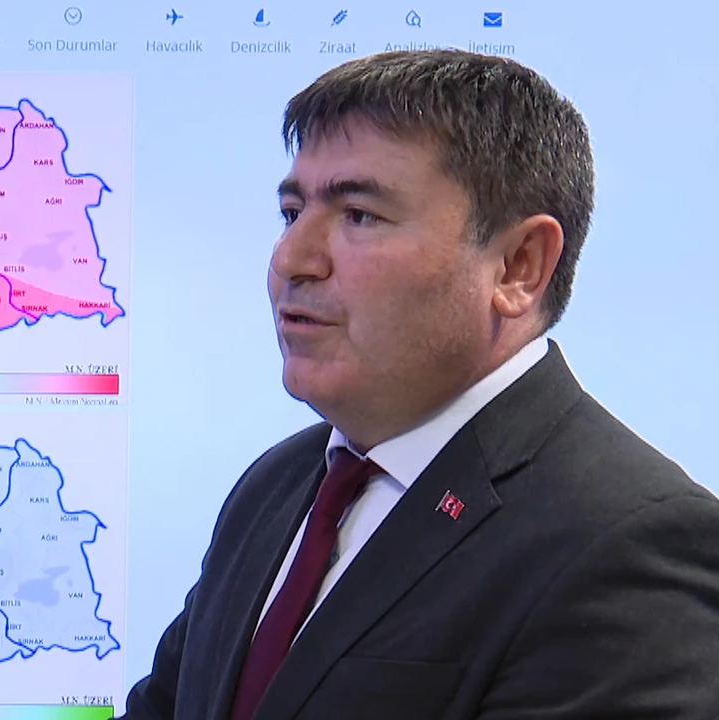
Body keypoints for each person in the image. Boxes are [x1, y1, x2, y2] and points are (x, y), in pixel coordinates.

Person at [121, 49, 719, 720]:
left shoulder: (627, 545)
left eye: (358, 215)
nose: (291, 260)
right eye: (292, 212)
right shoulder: (277, 485)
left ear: (518, 267)